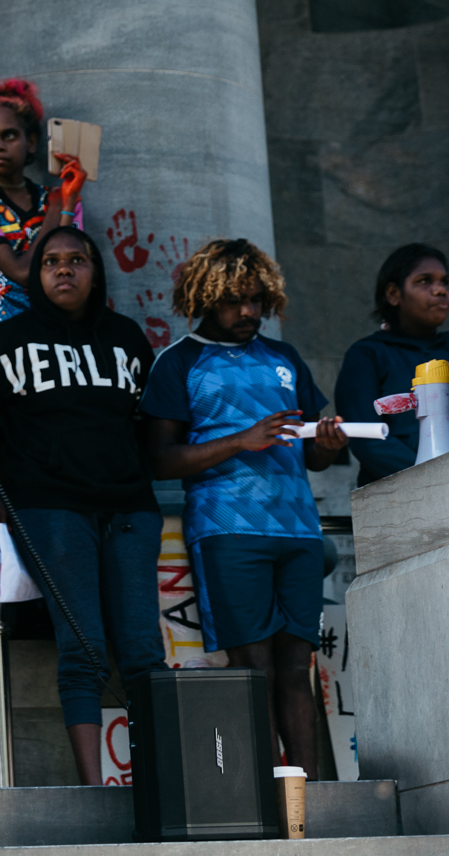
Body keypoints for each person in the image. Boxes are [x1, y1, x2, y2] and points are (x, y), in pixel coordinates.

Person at [0, 225, 165, 785]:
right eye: (50, 262)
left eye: (77, 260)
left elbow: (152, 429)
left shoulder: (127, 339)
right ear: (36, 274)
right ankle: (94, 790)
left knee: (144, 653)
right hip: (51, 509)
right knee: (85, 648)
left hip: (130, 511)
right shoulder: (7, 341)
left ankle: (165, 784)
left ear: (96, 272)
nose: (64, 270)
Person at [142, 239, 348, 779]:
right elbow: (160, 459)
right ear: (205, 296)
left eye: (258, 300)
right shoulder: (178, 361)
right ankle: (259, 798)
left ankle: (310, 801)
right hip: (227, 531)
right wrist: (241, 440)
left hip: (299, 531)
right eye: (236, 300)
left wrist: (326, 445)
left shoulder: (284, 359)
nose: (249, 312)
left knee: (295, 669)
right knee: (251, 669)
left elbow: (316, 456)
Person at [335, 244, 449, 484]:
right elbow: (367, 438)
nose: (439, 290)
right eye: (424, 281)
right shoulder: (366, 355)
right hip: (399, 500)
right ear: (393, 294)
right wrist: (436, 477)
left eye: (444, 282)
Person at [0, 79, 85, 364]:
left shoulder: (62, 199)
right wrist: (60, 206)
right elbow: (21, 272)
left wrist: (67, 204)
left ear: (30, 142)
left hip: (51, 338)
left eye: (8, 136)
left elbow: (66, 263)